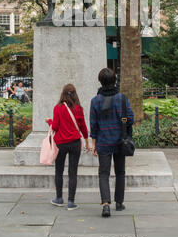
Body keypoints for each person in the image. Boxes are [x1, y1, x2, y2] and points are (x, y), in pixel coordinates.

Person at [90, 68, 134, 218]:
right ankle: (119, 203)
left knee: (103, 173)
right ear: (114, 80)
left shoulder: (95, 101)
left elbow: (93, 124)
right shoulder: (122, 99)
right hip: (120, 141)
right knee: (120, 172)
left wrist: (94, 143)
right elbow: (130, 118)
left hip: (103, 142)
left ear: (100, 81)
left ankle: (105, 204)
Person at [45, 84, 90, 211]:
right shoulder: (78, 109)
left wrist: (49, 121)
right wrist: (87, 141)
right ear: (75, 94)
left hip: (61, 143)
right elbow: (83, 127)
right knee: (73, 172)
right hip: (75, 143)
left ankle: (59, 198)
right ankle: (71, 202)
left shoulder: (57, 108)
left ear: (63, 94)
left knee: (59, 171)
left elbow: (55, 127)